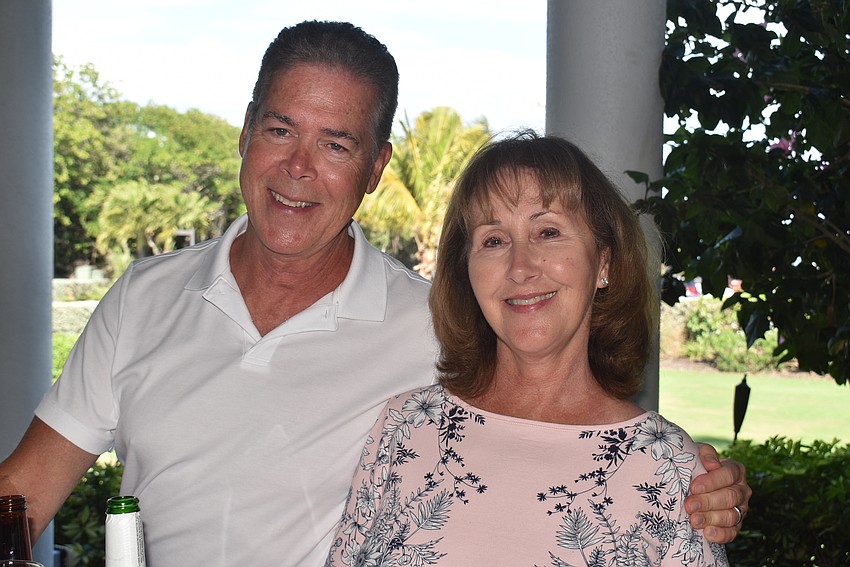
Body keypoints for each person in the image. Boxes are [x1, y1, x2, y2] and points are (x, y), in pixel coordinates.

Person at [0, 22, 747, 566]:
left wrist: (702, 482)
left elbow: (564, 418)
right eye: (280, 129)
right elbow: (19, 495)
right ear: (245, 135)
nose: (298, 168)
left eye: (335, 144)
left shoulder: (434, 328)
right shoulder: (143, 299)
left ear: (377, 167)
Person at [326, 132, 733, 565]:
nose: (520, 268)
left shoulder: (668, 469)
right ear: (467, 271)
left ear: (604, 263)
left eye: (548, 232)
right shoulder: (402, 430)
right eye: (494, 240)